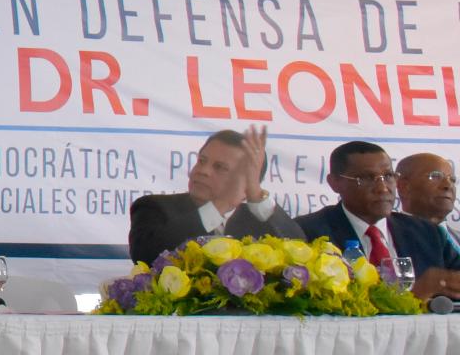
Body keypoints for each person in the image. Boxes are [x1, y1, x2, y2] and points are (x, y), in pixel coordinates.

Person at [296, 140, 460, 304]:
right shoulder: (308, 232)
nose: (383, 188)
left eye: (388, 176)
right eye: (366, 178)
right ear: (334, 183)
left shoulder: (427, 233)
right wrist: (415, 294)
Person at [128, 127, 304, 267]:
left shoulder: (259, 219)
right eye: (202, 161)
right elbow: (146, 256)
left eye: (219, 167)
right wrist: (221, 205)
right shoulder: (153, 207)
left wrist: (256, 195)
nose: (203, 171)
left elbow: (301, 254)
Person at [397, 152, 460, 251]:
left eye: (452, 179)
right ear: (404, 186)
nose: (448, 185)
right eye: (435, 176)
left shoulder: (455, 239)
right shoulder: (388, 239)